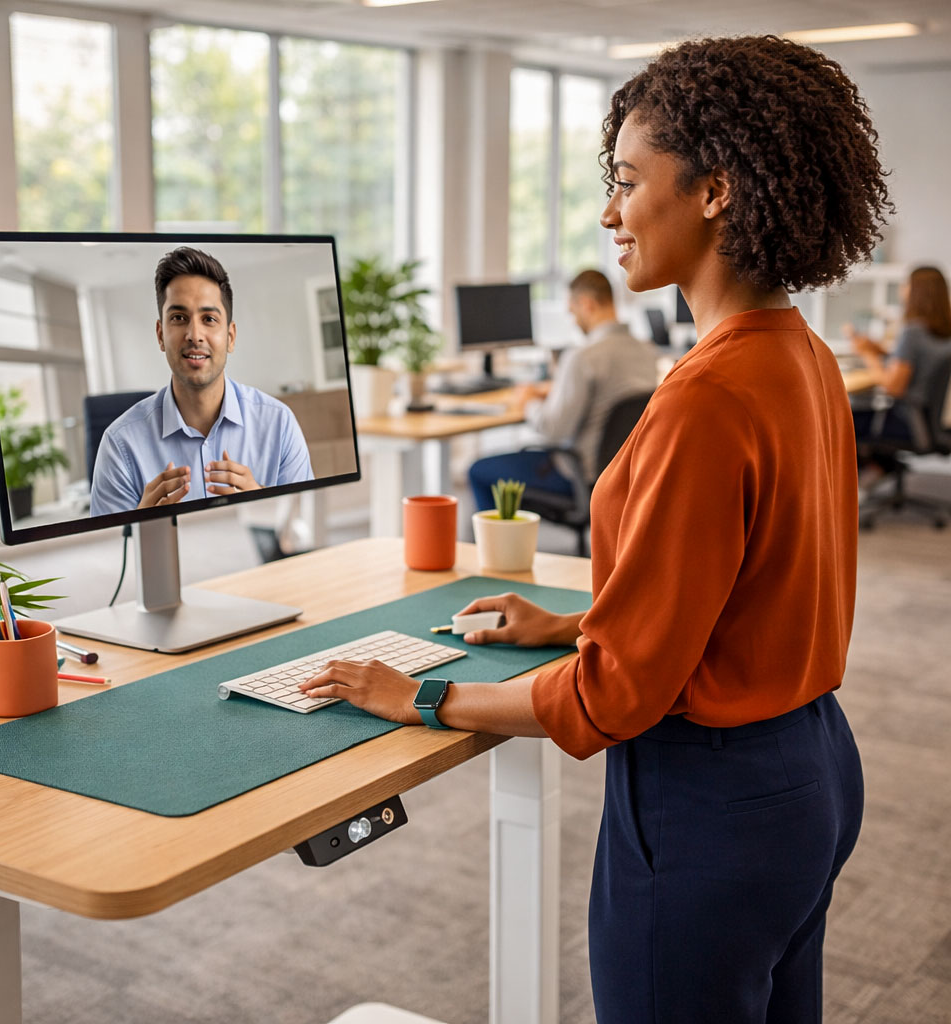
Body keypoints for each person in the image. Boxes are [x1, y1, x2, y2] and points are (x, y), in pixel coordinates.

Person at [300, 34, 890, 1023]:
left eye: (625, 179)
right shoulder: (803, 356)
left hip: (712, 802)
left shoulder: (705, 398)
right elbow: (758, 591)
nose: (608, 211)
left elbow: (617, 697)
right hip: (811, 772)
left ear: (714, 190)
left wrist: (423, 699)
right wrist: (576, 623)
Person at [90, 247, 313, 517]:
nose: (194, 334)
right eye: (179, 318)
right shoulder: (119, 445)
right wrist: (137, 526)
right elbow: (109, 553)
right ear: (160, 335)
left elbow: (307, 533)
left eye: (209, 319)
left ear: (230, 337)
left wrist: (265, 505)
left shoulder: (279, 423)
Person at [466, 269, 659, 511]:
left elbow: (552, 430)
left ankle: (492, 548)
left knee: (478, 470)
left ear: (586, 304)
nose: (573, 319)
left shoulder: (582, 357)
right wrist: (556, 390)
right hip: (625, 475)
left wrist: (527, 402)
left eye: (572, 311)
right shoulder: (647, 350)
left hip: (578, 476)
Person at [845, 265, 951, 477]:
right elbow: (920, 363)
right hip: (933, 423)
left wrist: (868, 355)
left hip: (909, 423)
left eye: (906, 285)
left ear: (916, 291)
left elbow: (893, 386)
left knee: (844, 421)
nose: (902, 290)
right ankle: (883, 467)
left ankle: (875, 470)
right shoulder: (944, 331)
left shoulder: (913, 332)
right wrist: (882, 351)